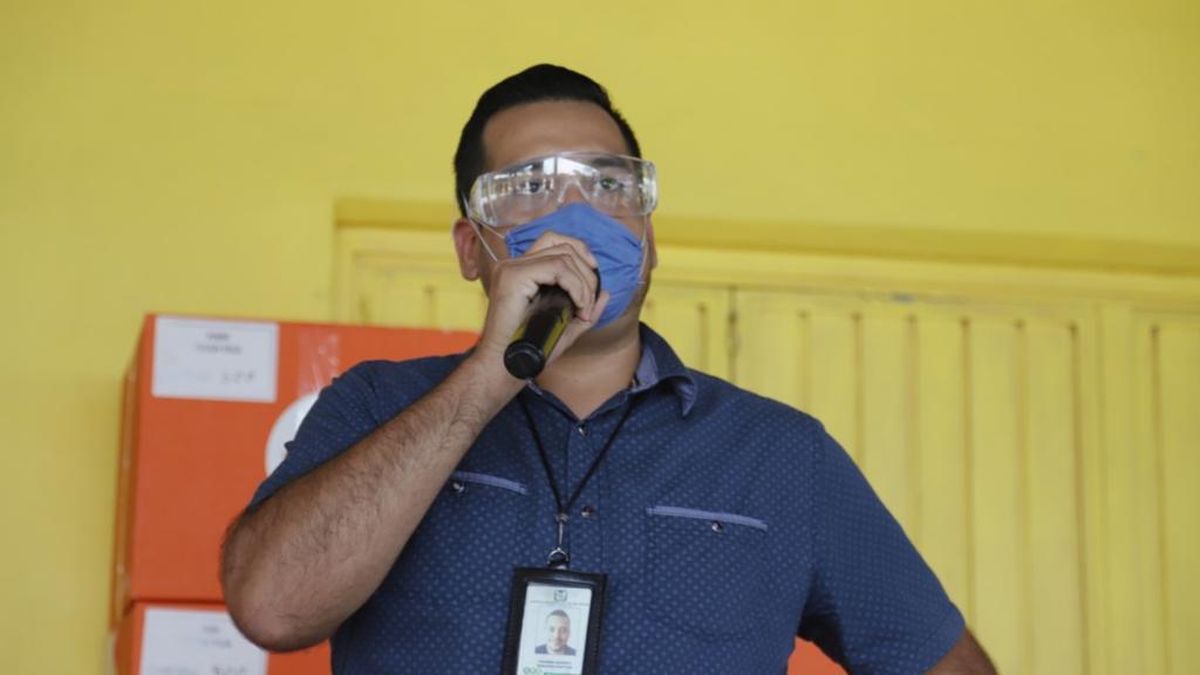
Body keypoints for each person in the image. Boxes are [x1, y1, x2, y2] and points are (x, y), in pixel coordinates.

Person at [220, 63, 997, 674]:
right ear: (470, 249)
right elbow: (272, 607)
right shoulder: (377, 403)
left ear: (649, 237)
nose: (581, 214)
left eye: (608, 184)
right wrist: (488, 378)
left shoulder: (781, 455)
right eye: (531, 187)